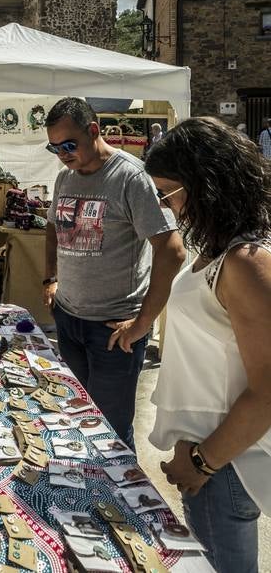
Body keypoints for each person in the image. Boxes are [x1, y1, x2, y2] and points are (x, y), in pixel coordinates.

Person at [143, 117, 271, 573]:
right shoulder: (220, 250)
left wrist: (201, 461)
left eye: (168, 194)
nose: (168, 208)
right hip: (211, 456)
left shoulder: (244, 263)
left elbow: (267, 390)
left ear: (205, 184)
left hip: (225, 461)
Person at [43, 97, 185, 448]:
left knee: (110, 434)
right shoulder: (65, 177)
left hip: (112, 331)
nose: (62, 154)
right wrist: (51, 278)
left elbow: (172, 250)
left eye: (69, 144)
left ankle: (121, 502)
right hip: (69, 318)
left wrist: (142, 323)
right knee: (77, 417)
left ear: (94, 131)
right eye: (54, 147)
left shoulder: (130, 177)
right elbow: (51, 227)